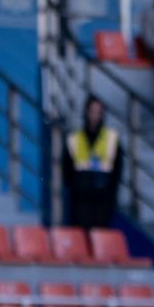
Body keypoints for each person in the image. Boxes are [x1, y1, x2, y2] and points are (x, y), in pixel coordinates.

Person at [62, 95, 123, 230]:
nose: (95, 115)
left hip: (103, 198)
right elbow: (66, 171)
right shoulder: (74, 138)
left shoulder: (112, 138)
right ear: (86, 112)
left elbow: (117, 171)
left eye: (98, 111)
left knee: (100, 235)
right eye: (92, 111)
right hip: (80, 198)